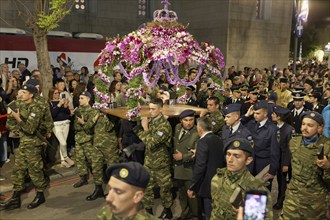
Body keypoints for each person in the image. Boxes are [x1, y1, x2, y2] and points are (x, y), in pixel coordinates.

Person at [2, 85, 48, 210]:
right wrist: (18, 130)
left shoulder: (36, 108)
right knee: (18, 170)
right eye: (20, 92)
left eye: (24, 92)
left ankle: (40, 195)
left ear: (31, 95)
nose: (20, 94)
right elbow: (9, 123)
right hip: (23, 143)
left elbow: (30, 129)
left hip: (34, 144)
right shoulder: (17, 105)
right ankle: (15, 198)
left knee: (35, 170)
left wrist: (18, 119)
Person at [280, 111, 330, 219]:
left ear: (320, 128)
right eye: (303, 124)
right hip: (293, 197)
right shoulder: (294, 142)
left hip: (314, 202)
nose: (304, 128)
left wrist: (327, 167)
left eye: (310, 125)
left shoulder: (327, 147)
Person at [210, 138, 273, 220]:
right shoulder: (218, 178)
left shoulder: (255, 189)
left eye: (237, 156)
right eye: (228, 154)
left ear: (248, 160)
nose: (230, 160)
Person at [135, 98, 173, 219]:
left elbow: (151, 143)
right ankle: (148, 212)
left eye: (153, 109)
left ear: (160, 109)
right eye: (149, 108)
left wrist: (144, 128)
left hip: (161, 164)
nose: (150, 111)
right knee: (146, 189)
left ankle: (168, 211)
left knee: (165, 190)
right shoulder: (152, 122)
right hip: (148, 162)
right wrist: (138, 129)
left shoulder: (164, 126)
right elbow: (145, 139)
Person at [187, 116, 226, 220]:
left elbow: (200, 166)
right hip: (218, 183)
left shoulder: (202, 142)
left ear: (200, 128)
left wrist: (192, 186)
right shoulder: (218, 139)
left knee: (206, 213)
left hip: (206, 186)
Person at [242, 100, 280, 190]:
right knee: (249, 192)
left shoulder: (273, 129)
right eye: (254, 113)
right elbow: (238, 126)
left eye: (258, 113)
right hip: (250, 165)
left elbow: (275, 152)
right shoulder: (251, 124)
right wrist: (247, 115)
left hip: (263, 166)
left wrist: (272, 171)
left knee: (263, 193)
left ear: (265, 113)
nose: (255, 115)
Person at [172, 109, 199, 219]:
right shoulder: (178, 127)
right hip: (178, 168)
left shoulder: (197, 132)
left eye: (191, 120)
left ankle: (196, 215)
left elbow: (198, 152)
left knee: (192, 197)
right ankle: (185, 213)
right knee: (182, 195)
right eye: (185, 120)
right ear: (181, 120)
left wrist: (183, 156)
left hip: (189, 169)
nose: (188, 123)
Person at [87, 111, 119, 201]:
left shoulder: (112, 112)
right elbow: (88, 126)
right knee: (96, 167)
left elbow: (110, 126)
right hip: (97, 144)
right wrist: (96, 117)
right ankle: (98, 189)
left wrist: (105, 114)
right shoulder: (94, 112)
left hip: (109, 145)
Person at [72, 91, 98, 188]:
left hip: (87, 138)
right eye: (79, 98)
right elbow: (75, 125)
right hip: (78, 137)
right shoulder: (78, 110)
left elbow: (90, 126)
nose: (80, 100)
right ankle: (83, 178)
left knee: (92, 159)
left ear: (88, 99)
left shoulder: (92, 111)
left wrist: (83, 123)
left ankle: (97, 177)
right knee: (79, 159)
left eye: (82, 98)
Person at [271, 105, 294, 210]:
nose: (272, 115)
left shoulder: (289, 130)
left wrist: (286, 164)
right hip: (275, 159)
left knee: (282, 182)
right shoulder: (274, 127)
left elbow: (289, 149)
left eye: (274, 114)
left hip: (283, 160)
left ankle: (281, 201)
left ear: (279, 117)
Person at [48, 87, 74, 168]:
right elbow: (53, 114)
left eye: (58, 93)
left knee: (63, 143)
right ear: (52, 94)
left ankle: (63, 161)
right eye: (55, 93)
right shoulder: (50, 103)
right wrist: (59, 105)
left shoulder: (62, 102)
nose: (57, 95)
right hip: (56, 125)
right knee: (63, 142)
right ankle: (66, 157)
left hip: (65, 123)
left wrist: (66, 106)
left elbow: (67, 113)